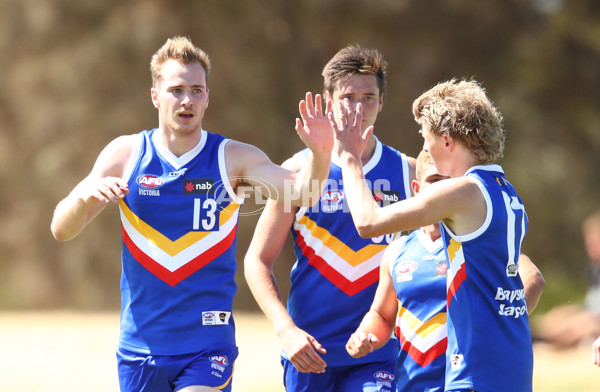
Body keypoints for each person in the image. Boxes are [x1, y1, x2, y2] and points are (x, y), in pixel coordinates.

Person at [50, 36, 334, 392]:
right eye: (176, 90)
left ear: (208, 97)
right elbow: (61, 230)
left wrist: (322, 156)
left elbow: (303, 192)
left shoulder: (233, 158)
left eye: (197, 90)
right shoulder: (125, 155)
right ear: (155, 95)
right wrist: (81, 200)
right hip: (140, 348)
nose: (187, 100)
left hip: (208, 346)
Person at [332, 79, 535, 391]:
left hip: (474, 370)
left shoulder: (464, 192)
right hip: (513, 362)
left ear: (447, 141)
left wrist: (349, 158)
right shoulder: (506, 192)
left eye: (427, 141)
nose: (424, 150)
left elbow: (368, 223)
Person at [244, 45, 415, 392]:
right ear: (328, 100)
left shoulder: (408, 172)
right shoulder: (297, 172)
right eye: (348, 97)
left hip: (379, 353)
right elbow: (257, 260)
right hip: (310, 353)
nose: (358, 108)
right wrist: (286, 330)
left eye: (369, 97)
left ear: (382, 102)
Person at [346, 150, 546, 392]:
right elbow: (382, 314)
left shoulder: (473, 244)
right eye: (433, 181)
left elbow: (532, 278)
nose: (442, 189)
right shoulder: (397, 252)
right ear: (416, 188)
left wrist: (502, 321)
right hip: (411, 384)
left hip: (465, 382)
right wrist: (365, 335)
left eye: (447, 181)